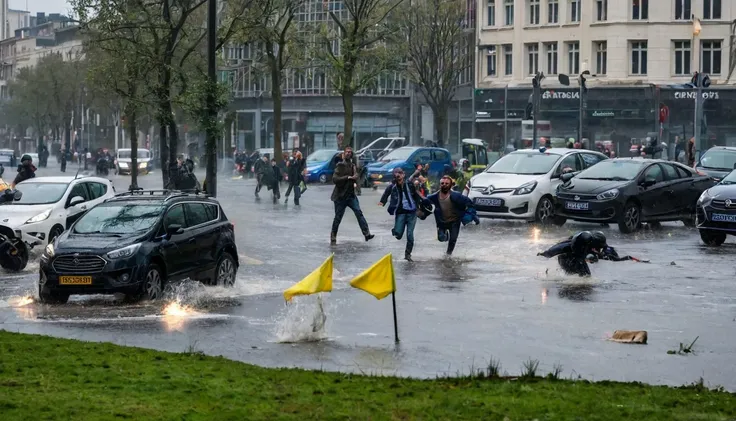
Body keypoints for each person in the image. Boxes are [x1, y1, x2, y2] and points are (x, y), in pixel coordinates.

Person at [379, 167, 431, 261]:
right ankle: (396, 230)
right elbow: (386, 193)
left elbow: (417, 193)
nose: (398, 175)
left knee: (410, 235)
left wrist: (424, 201)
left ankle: (408, 254)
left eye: (400, 173)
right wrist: (382, 202)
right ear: (394, 175)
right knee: (398, 235)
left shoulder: (410, 184)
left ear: (403, 174)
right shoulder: (393, 186)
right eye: (396, 173)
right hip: (401, 212)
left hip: (412, 212)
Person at [330, 148, 374, 245]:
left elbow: (358, 177)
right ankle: (333, 236)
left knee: (359, 212)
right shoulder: (340, 166)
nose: (349, 154)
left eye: (350, 152)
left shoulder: (353, 166)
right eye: (347, 152)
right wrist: (348, 177)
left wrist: (357, 186)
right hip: (340, 196)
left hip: (351, 196)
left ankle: (366, 233)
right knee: (338, 217)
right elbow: (335, 179)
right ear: (344, 154)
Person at [426, 175, 475, 256]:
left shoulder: (457, 196)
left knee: (453, 239)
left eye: (446, 183)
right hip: (442, 222)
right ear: (440, 185)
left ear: (451, 185)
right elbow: (427, 206)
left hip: (455, 221)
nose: (444, 185)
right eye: (442, 183)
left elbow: (469, 203)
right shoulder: (434, 197)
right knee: (441, 238)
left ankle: (448, 255)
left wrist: (471, 215)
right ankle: (445, 235)